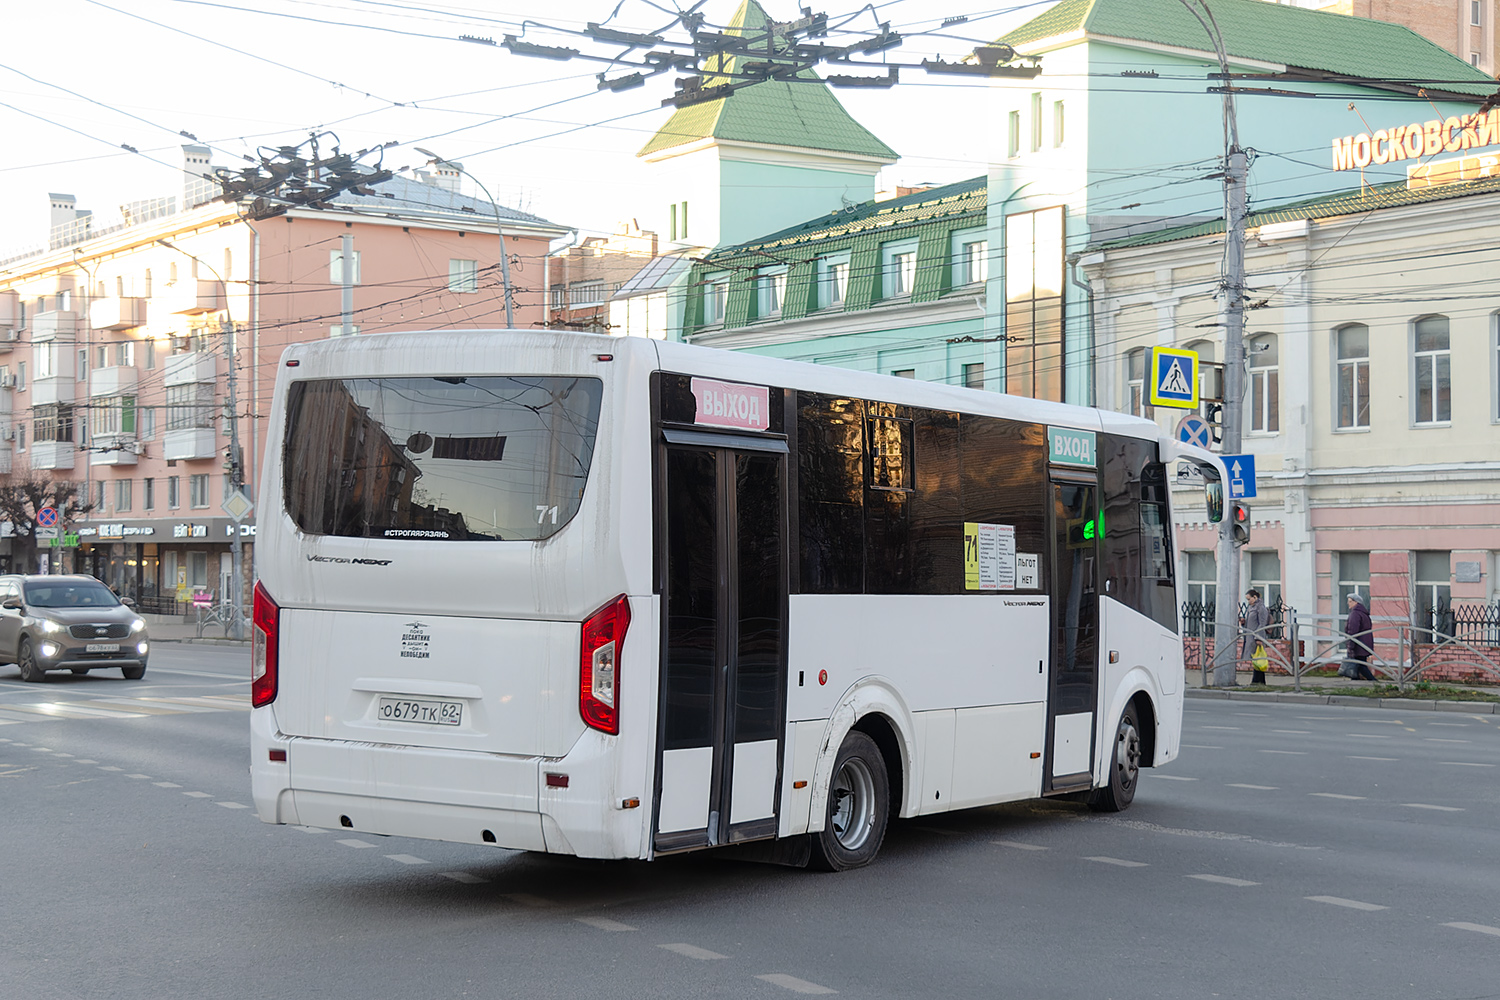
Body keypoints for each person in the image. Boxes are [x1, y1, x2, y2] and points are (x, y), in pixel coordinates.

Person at [1240, 588, 1271, 685]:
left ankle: (1257, 680)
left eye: (1249, 599)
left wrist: (1258, 638)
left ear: (1255, 597)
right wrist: (1244, 623)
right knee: (1255, 658)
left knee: (1258, 657)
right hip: (1250, 636)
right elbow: (1251, 622)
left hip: (1256, 637)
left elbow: (1262, 623)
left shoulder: (1261, 608)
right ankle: (1259, 681)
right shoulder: (1251, 608)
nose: (1248, 601)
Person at [1344, 592, 1377, 681]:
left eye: (1350, 601)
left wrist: (1350, 645)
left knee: (1360, 665)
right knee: (1357, 666)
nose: (1348, 603)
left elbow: (1353, 630)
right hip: (1364, 643)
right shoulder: (1363, 613)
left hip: (1358, 644)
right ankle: (1355, 684)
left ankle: (1374, 682)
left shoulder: (1355, 614)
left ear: (1356, 602)